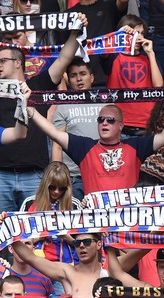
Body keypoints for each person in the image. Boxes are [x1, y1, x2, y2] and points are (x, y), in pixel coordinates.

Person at [0, 13, 88, 212]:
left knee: (32, 233)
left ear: (18, 63)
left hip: (34, 174)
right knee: (0, 231)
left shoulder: (38, 85)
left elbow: (65, 57)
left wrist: (76, 30)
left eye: (2, 61)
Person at [27, 101, 164, 194]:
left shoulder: (136, 146)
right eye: (101, 120)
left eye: (110, 120)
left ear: (121, 125)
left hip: (126, 219)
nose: (104, 123)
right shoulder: (84, 146)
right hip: (96, 221)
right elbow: (54, 133)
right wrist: (29, 109)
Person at [50, 58, 107, 199]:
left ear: (92, 77)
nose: (79, 79)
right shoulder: (62, 106)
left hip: (102, 173)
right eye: (74, 75)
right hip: (73, 177)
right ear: (68, 80)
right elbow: (57, 145)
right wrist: (58, 176)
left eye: (83, 74)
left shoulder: (106, 104)